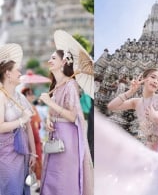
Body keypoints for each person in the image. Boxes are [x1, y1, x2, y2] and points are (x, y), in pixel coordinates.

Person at [39, 49, 93, 195]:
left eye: (53, 58)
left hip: (67, 137)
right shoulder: (56, 85)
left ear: (63, 62)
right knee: (52, 174)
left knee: (62, 177)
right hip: (55, 134)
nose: (50, 61)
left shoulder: (70, 84)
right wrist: (49, 120)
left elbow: (72, 116)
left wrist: (49, 102)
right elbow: (52, 112)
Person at [0, 44, 36, 195]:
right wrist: (21, 120)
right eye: (17, 70)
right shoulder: (0, 96)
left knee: (22, 188)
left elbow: (28, 126)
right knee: (10, 188)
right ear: (8, 73)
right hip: (6, 154)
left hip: (23, 152)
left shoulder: (20, 96)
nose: (20, 73)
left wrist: (33, 152)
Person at [22, 87, 43, 192]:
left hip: (36, 138)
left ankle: (39, 183)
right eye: (28, 94)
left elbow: (39, 124)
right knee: (27, 162)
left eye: (31, 94)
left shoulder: (34, 108)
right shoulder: (22, 108)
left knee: (38, 159)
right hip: (26, 139)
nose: (31, 96)